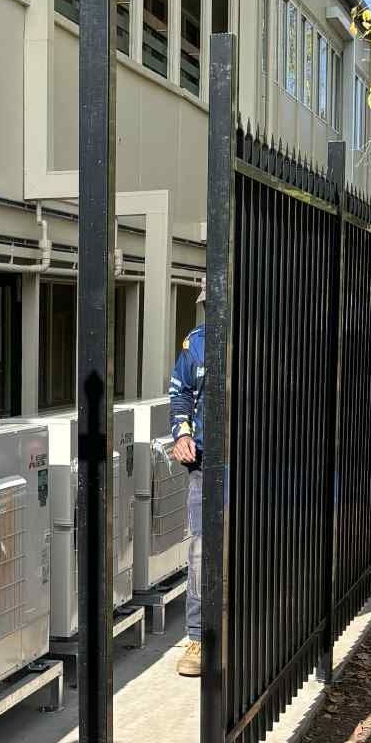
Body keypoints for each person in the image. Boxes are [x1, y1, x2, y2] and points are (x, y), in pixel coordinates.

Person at [167, 289, 206, 677]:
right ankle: (199, 636)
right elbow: (180, 395)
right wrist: (181, 435)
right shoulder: (196, 343)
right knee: (201, 552)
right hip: (208, 466)